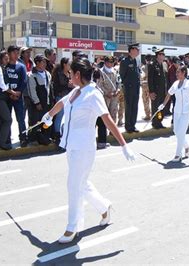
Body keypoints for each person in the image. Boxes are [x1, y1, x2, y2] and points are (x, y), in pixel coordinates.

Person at [40, 58, 136, 243]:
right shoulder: (77, 91)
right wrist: (49, 115)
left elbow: (107, 120)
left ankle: (72, 227)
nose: (69, 77)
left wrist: (123, 145)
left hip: (84, 149)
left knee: (73, 185)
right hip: (71, 147)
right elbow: (61, 103)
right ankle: (104, 208)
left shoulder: (93, 94)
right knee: (82, 183)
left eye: (70, 74)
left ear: (77, 75)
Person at [5, 45, 28, 147]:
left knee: (21, 119)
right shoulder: (5, 67)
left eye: (17, 53)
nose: (16, 55)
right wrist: (10, 93)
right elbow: (3, 81)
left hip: (18, 97)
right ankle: (7, 139)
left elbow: (24, 81)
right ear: (9, 54)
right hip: (7, 97)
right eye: (14, 52)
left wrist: (18, 92)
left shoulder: (21, 66)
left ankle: (23, 138)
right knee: (7, 119)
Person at [27, 54, 52, 145]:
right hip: (37, 103)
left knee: (46, 121)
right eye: (43, 62)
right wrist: (37, 102)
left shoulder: (48, 74)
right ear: (37, 63)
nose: (45, 64)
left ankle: (45, 137)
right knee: (35, 121)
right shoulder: (32, 75)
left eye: (45, 62)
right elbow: (32, 90)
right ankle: (32, 138)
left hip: (47, 101)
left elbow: (49, 88)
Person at [119, 43, 141, 133]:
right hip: (128, 88)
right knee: (129, 107)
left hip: (136, 87)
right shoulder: (125, 61)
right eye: (136, 49)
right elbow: (122, 76)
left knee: (135, 107)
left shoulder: (135, 61)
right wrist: (126, 86)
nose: (138, 51)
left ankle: (133, 125)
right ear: (131, 50)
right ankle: (128, 126)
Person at [51, 57, 74, 144]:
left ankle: (64, 134)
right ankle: (57, 136)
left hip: (69, 98)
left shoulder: (69, 73)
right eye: (69, 64)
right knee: (59, 117)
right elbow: (58, 86)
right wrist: (68, 85)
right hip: (60, 97)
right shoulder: (58, 73)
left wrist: (72, 85)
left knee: (67, 117)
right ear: (64, 64)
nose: (70, 66)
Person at [98, 56, 120, 125]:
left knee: (114, 112)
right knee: (104, 114)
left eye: (112, 62)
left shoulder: (115, 71)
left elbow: (118, 81)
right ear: (105, 62)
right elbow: (99, 85)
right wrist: (106, 93)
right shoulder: (101, 72)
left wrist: (118, 90)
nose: (111, 64)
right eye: (109, 62)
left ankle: (112, 131)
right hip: (105, 96)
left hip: (114, 96)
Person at [148, 48, 167, 129]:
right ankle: (155, 122)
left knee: (162, 107)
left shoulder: (164, 64)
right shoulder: (152, 65)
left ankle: (160, 121)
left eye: (163, 54)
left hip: (163, 91)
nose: (163, 56)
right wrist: (151, 91)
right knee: (156, 107)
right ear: (158, 55)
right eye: (161, 54)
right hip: (156, 91)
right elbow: (150, 79)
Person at [140, 54, 152, 121]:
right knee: (153, 101)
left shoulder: (143, 68)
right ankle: (153, 114)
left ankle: (148, 115)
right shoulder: (154, 66)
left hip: (145, 86)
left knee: (146, 101)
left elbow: (141, 77)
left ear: (145, 60)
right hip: (153, 87)